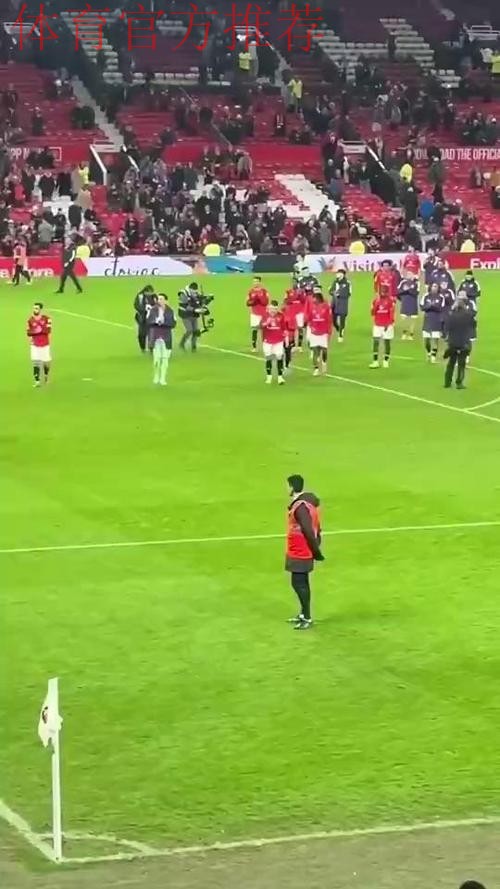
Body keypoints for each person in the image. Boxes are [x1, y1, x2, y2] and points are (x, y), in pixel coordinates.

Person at [285, 474, 323, 631]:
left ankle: (307, 617)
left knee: (299, 584)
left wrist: (316, 551)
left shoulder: (301, 507)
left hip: (301, 551)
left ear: (292, 486)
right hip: (298, 550)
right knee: (300, 583)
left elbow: (308, 529)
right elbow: (317, 528)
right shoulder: (305, 504)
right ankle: (303, 614)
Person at [443, 294, 475, 389]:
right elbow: (473, 325)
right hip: (464, 342)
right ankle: (459, 383)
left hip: (453, 342)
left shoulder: (451, 315)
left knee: (451, 363)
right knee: (461, 364)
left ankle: (447, 382)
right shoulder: (468, 315)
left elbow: (446, 327)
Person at [147, 294, 176, 386]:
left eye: (161, 299)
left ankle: (163, 378)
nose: (159, 301)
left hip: (166, 337)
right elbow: (148, 321)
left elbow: (173, 323)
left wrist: (163, 322)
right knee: (157, 359)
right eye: (158, 299)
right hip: (155, 337)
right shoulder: (153, 310)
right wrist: (156, 321)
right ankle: (156, 375)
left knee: (165, 359)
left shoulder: (170, 311)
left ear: (166, 301)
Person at [307, 291, 333, 376]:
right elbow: (309, 319)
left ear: (318, 298)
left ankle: (324, 363)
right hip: (314, 333)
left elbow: (329, 319)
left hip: (323, 333)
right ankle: (316, 368)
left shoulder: (326, 307)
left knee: (324, 350)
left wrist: (329, 331)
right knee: (315, 351)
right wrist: (311, 326)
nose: (313, 300)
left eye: (314, 298)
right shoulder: (312, 308)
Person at [27, 302, 52, 387]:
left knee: (46, 363)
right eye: (34, 308)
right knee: (36, 362)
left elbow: (48, 330)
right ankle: (37, 381)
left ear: (41, 309)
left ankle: (46, 375)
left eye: (37, 308)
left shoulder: (47, 319)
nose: (35, 310)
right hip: (35, 344)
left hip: (45, 344)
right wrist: (37, 331)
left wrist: (37, 330)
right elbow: (28, 332)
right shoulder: (30, 320)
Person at [261, 300, 286, 385]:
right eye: (271, 309)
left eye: (275, 309)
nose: (273, 311)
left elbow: (284, 327)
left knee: (279, 356)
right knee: (268, 357)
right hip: (267, 341)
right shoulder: (265, 316)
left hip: (278, 340)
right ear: (269, 308)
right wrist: (266, 323)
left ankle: (280, 377)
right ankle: (269, 376)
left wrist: (285, 335)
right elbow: (260, 326)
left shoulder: (281, 316)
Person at [370, 285, 395, 368]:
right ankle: (375, 361)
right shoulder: (376, 301)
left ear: (387, 292)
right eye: (381, 291)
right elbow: (373, 313)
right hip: (377, 325)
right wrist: (374, 306)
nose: (382, 293)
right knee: (376, 342)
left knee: (387, 342)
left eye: (384, 291)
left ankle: (386, 360)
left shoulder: (390, 301)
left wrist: (388, 324)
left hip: (387, 325)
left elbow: (391, 314)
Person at [421, 282, 444, 363]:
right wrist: (429, 306)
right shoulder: (426, 296)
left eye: (436, 286)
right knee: (426, 340)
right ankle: (428, 352)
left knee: (435, 339)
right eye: (433, 286)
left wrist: (432, 306)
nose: (434, 288)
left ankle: (433, 355)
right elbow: (422, 307)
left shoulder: (441, 297)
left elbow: (441, 308)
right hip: (427, 319)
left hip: (436, 320)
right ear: (430, 287)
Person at [246, 276, 269, 352]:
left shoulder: (264, 291)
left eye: (256, 281)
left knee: (264, 330)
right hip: (255, 314)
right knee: (254, 329)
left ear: (260, 282)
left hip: (263, 314)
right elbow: (247, 302)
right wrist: (251, 307)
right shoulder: (250, 291)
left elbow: (267, 302)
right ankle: (254, 347)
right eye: (254, 281)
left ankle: (265, 345)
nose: (255, 283)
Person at [329, 268, 351, 342]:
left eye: (339, 273)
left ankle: (341, 335)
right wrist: (333, 293)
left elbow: (349, 293)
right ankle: (339, 329)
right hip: (334, 303)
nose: (337, 274)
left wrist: (339, 294)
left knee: (342, 320)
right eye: (337, 273)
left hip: (343, 303)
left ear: (343, 275)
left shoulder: (347, 283)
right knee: (334, 321)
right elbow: (330, 291)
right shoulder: (335, 282)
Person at [283, 282, 307, 351]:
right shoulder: (288, 292)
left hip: (300, 312)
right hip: (291, 313)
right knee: (292, 329)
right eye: (294, 284)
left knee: (300, 328)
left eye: (296, 284)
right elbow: (286, 301)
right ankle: (292, 344)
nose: (295, 285)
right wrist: (294, 298)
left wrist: (300, 295)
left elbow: (304, 301)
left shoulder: (302, 292)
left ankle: (299, 345)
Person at [178, 282, 201, 351]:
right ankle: (182, 343)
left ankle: (193, 347)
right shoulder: (183, 294)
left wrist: (207, 299)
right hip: (185, 315)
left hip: (194, 315)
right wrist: (194, 310)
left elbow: (200, 301)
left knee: (196, 331)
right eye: (193, 291)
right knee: (189, 330)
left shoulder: (196, 293)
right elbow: (184, 306)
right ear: (190, 289)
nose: (194, 292)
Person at [134, 285, 156, 353]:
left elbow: (157, 304)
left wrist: (152, 309)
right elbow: (136, 305)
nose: (150, 294)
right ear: (145, 291)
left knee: (151, 334)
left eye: (151, 292)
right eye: (149, 292)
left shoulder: (154, 296)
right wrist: (144, 309)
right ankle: (142, 348)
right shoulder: (140, 296)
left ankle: (151, 348)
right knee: (141, 334)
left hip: (152, 318)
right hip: (142, 318)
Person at [397, 272, 419, 340]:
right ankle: (404, 333)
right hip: (405, 303)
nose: (409, 276)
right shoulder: (403, 282)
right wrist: (403, 296)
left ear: (413, 276)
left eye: (410, 275)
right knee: (404, 319)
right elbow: (398, 291)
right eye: (408, 275)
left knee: (412, 320)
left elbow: (416, 293)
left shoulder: (416, 283)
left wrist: (408, 290)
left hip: (413, 303)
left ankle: (411, 334)